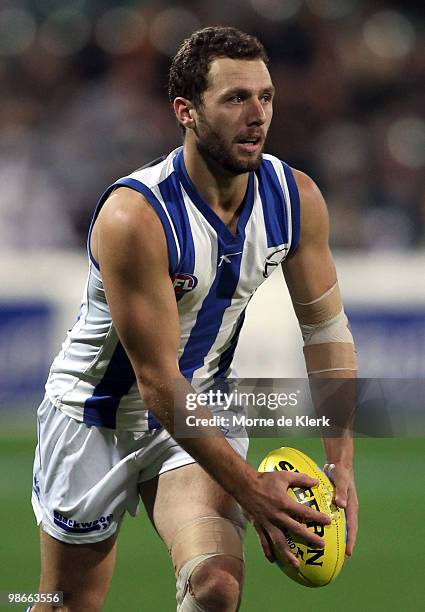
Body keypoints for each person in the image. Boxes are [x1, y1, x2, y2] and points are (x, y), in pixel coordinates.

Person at [30, 26, 358, 612]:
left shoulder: (295, 198)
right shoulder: (136, 217)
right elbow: (157, 384)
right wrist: (252, 489)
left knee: (215, 588)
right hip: (93, 421)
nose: (257, 115)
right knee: (64, 603)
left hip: (199, 409)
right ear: (185, 111)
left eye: (266, 96)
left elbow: (327, 334)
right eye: (235, 98)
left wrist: (341, 464)